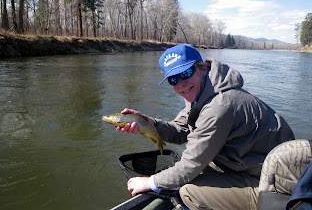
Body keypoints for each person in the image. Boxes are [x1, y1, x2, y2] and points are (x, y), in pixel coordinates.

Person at [117, 43, 295, 210]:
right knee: (189, 174)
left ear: (203, 67)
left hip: (273, 184)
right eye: (172, 79)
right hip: (247, 167)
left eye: (185, 73)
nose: (180, 84)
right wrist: (149, 124)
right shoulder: (202, 93)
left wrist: (150, 182)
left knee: (188, 192)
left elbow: (190, 166)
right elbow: (180, 131)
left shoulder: (219, 106)